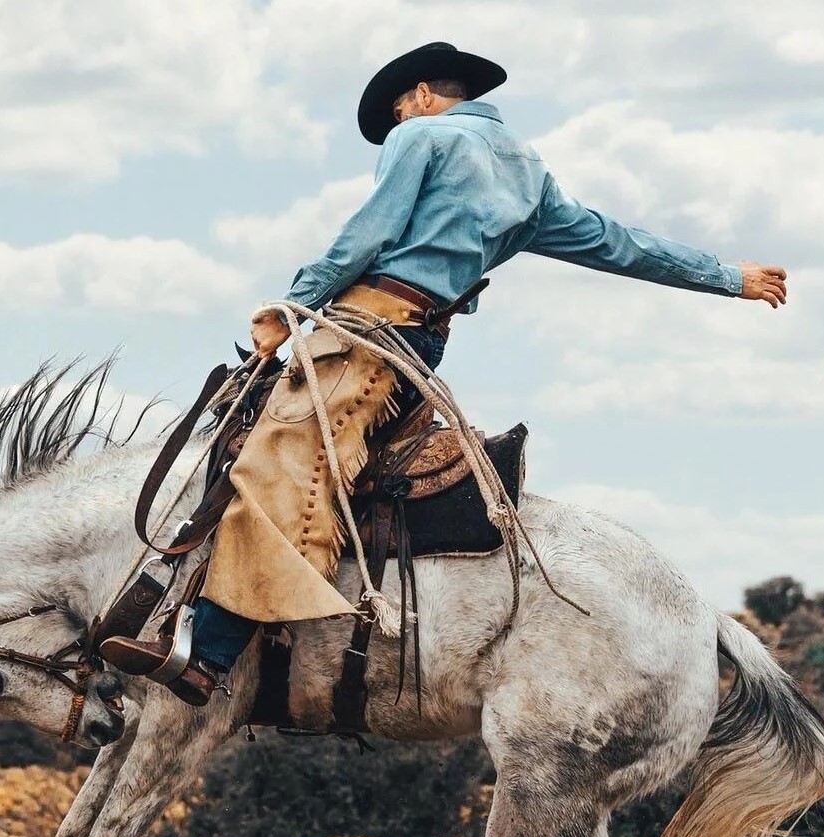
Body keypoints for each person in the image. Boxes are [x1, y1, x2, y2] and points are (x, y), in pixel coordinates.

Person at [110, 41, 787, 705]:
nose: (398, 124)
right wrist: (728, 277)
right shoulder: (530, 174)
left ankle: (209, 655)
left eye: (400, 110)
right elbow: (619, 244)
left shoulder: (421, 138)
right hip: (422, 346)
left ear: (423, 96)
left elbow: (368, 234)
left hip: (370, 334)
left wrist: (292, 303)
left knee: (285, 464)